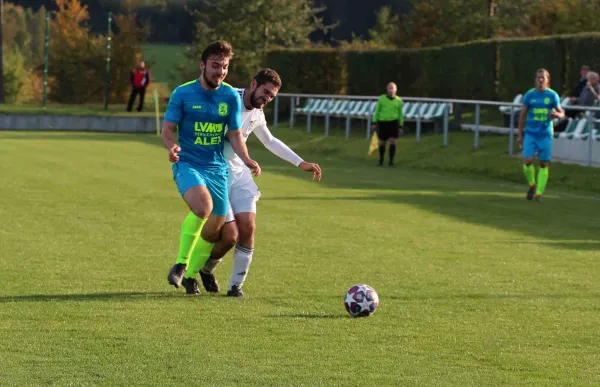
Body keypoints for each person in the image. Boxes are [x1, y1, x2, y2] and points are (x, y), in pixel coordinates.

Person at [169, 68, 323, 297]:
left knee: (248, 227)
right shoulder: (228, 98)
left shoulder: (258, 113)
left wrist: (300, 163)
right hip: (216, 172)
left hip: (239, 174)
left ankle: (233, 286)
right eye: (266, 92)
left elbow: (269, 140)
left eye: (272, 96)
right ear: (253, 84)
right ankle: (190, 272)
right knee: (228, 235)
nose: (267, 99)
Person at [163, 40, 261, 295]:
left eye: (225, 67)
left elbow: (236, 134)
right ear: (203, 65)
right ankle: (181, 264)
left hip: (217, 169)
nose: (221, 72)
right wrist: (172, 147)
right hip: (188, 163)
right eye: (216, 66)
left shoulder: (229, 95)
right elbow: (167, 130)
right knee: (203, 207)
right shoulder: (182, 93)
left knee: (222, 231)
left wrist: (247, 158)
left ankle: (192, 275)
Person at [517, 69, 565, 202]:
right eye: (538, 77)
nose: (540, 80)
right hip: (531, 133)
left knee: (543, 163)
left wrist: (558, 115)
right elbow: (522, 115)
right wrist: (520, 135)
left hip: (545, 134)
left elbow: (562, 113)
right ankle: (532, 184)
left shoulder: (552, 95)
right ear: (535, 79)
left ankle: (539, 194)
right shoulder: (530, 95)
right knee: (528, 160)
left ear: (547, 80)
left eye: (543, 78)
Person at [370, 82, 404, 167]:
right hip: (383, 122)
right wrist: (374, 122)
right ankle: (381, 160)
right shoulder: (381, 99)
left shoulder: (399, 101)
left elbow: (400, 114)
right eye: (390, 88)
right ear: (387, 89)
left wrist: (401, 126)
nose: (391, 90)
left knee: (392, 141)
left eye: (393, 88)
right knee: (382, 142)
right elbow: (377, 111)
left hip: (393, 122)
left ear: (396, 90)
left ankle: (391, 162)